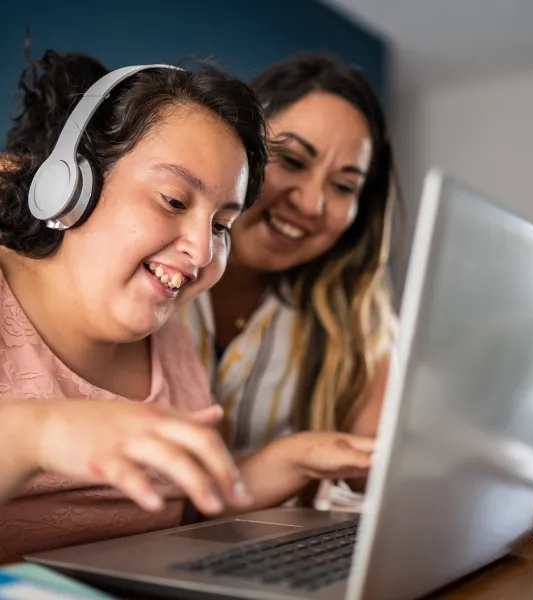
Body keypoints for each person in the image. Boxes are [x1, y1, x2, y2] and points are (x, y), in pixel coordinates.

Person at [0, 50, 374, 561]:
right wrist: (38, 434)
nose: (202, 252)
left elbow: (182, 506)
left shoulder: (167, 332)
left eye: (222, 224)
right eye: (174, 201)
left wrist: (291, 459)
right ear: (70, 185)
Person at [181, 53, 399, 503]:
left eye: (343, 186)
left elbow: (378, 475)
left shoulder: (356, 323)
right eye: (294, 161)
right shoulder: (141, 270)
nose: (313, 204)